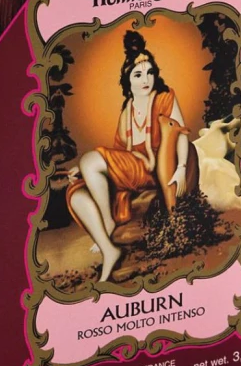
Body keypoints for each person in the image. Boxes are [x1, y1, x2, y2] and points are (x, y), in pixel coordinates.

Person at [66, 31, 190, 282]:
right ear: (127, 80)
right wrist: (85, 172)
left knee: (90, 160)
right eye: (138, 75)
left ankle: (108, 225)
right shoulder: (128, 109)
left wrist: (181, 168)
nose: (146, 79)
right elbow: (120, 153)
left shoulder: (165, 97)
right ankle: (109, 248)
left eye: (150, 72)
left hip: (156, 169)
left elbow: (181, 134)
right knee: (76, 194)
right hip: (130, 171)